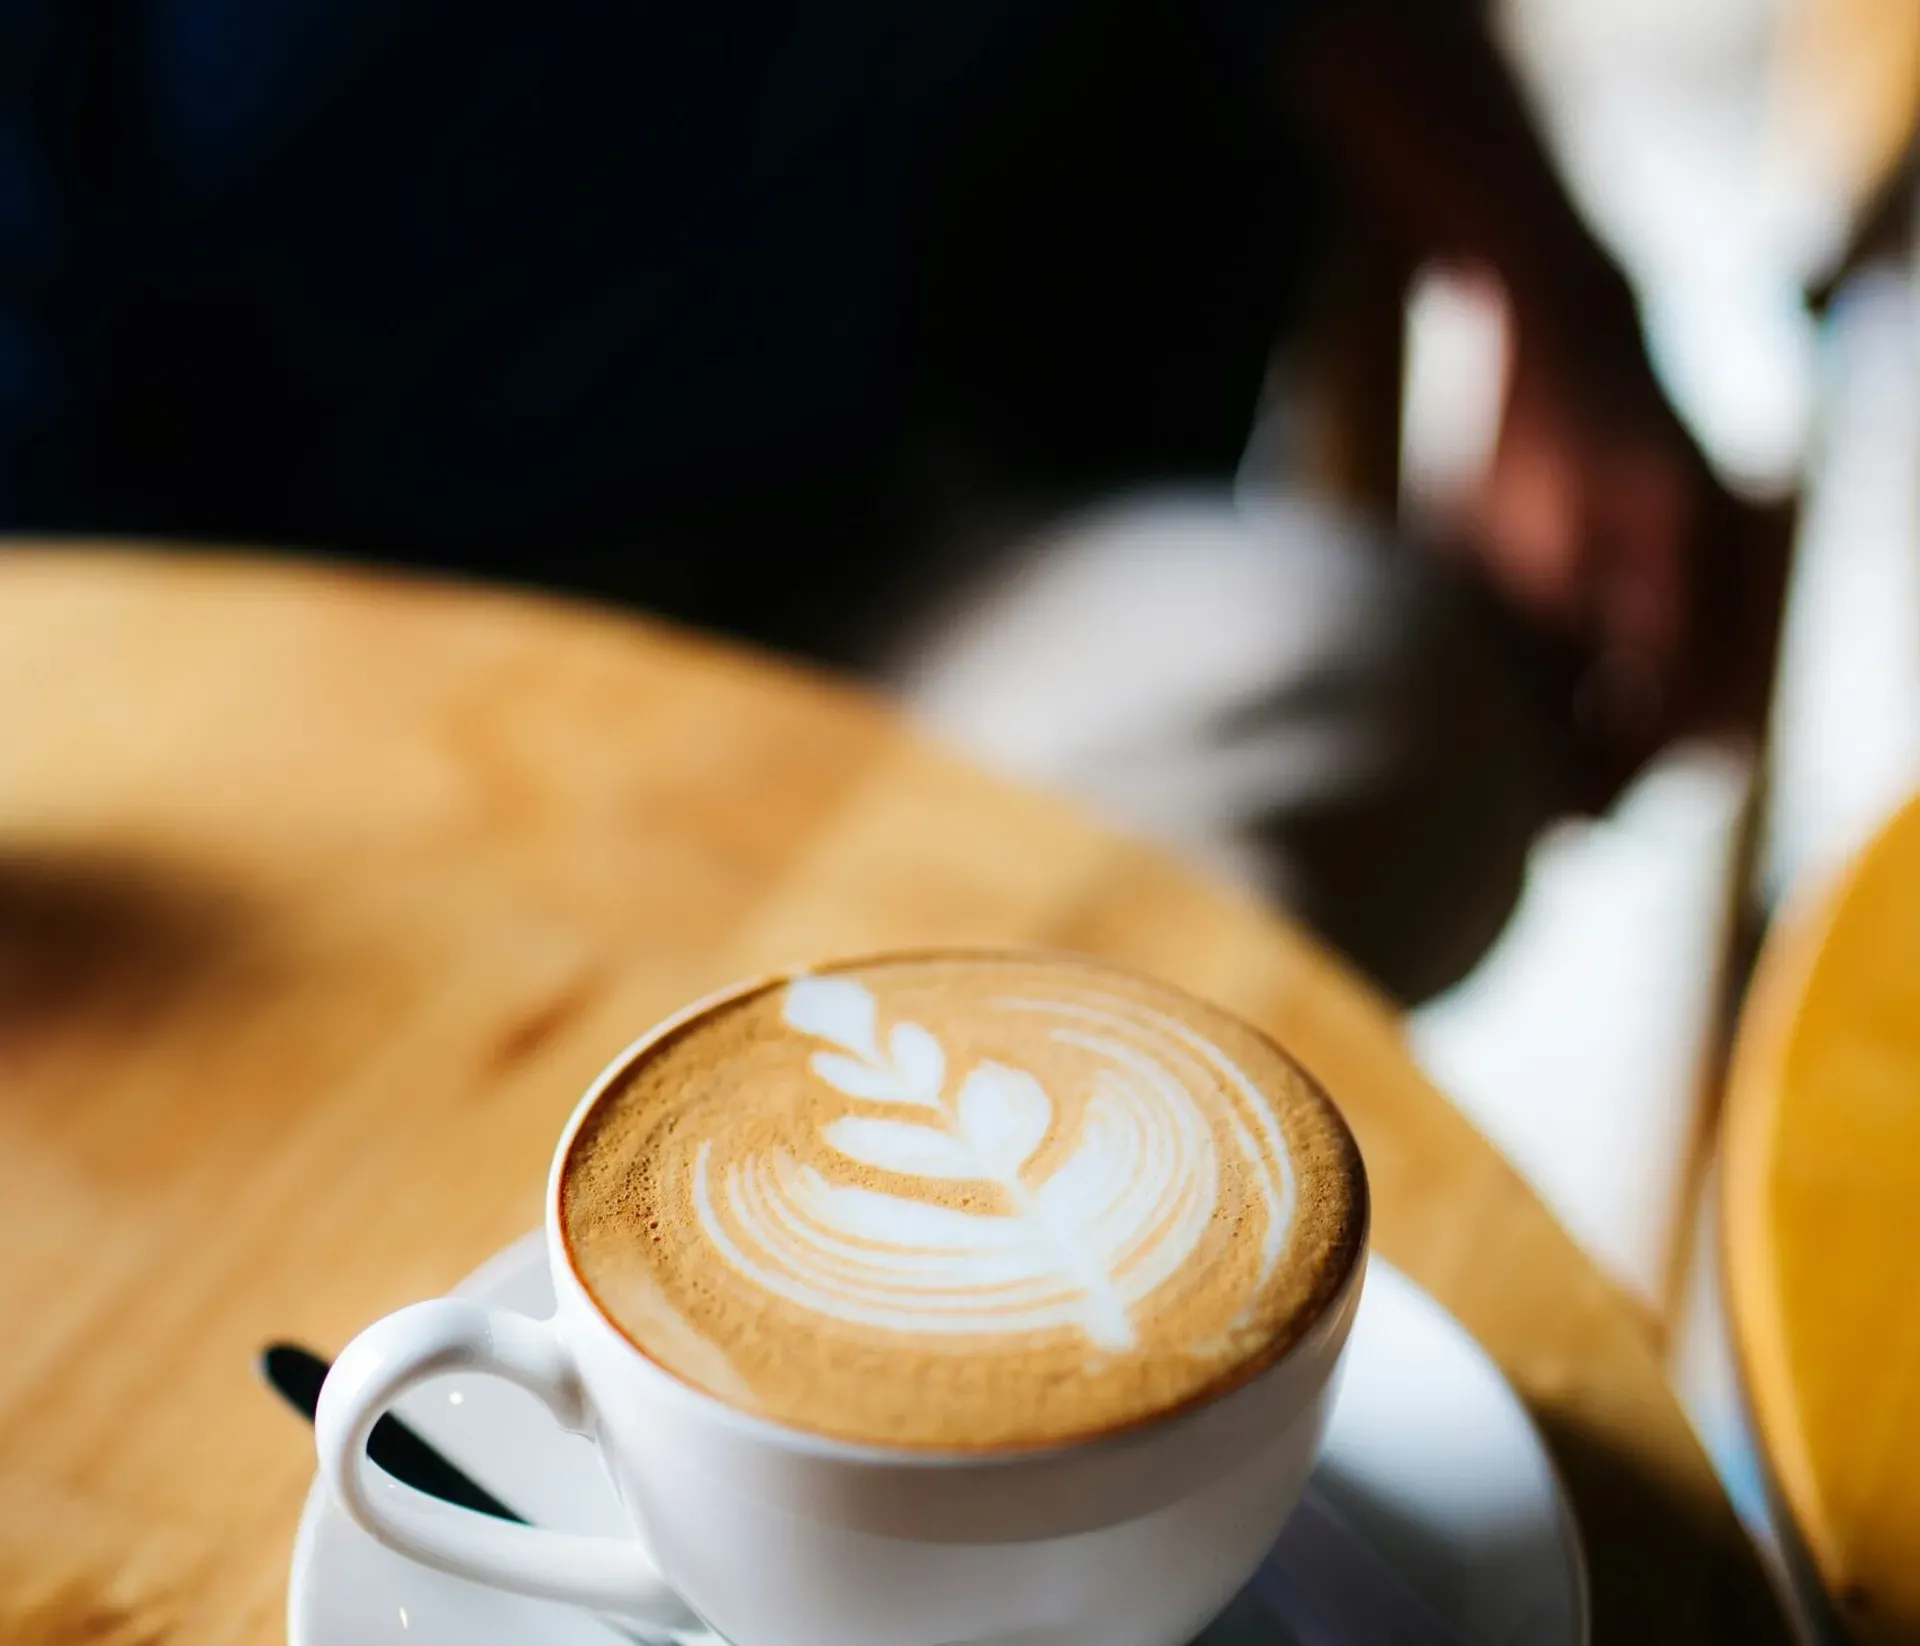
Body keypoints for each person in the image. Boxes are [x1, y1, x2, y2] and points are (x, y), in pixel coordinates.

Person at [0, 0, 1777, 998]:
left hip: (839, 593)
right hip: (223, 724)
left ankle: (839, 1325)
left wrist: (1557, 302)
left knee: (1352, 691)